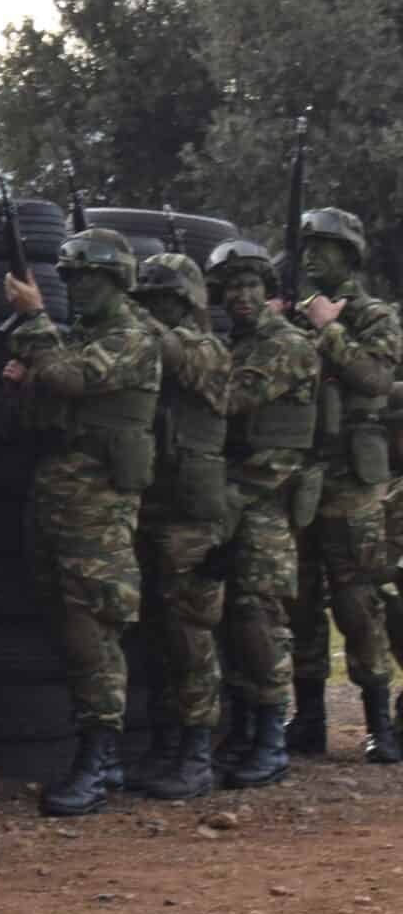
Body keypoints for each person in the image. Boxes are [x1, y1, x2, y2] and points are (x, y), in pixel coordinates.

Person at [3, 227, 160, 816]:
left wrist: (34, 318)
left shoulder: (133, 337)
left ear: (119, 280)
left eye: (90, 277)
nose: (79, 288)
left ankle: (100, 755)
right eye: (71, 279)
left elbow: (70, 378)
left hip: (99, 504)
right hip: (59, 499)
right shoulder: (76, 337)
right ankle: (101, 753)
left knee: (90, 627)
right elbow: (48, 398)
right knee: (67, 623)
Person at [283, 207, 402, 763]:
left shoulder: (374, 315)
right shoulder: (294, 313)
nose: (312, 255)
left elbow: (375, 378)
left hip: (353, 479)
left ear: (350, 254)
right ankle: (307, 720)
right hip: (301, 474)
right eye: (308, 245)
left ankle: (379, 723)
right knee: (301, 602)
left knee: (358, 603)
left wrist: (329, 328)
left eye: (325, 246)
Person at [204, 240, 321, 791]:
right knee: (230, 617)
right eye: (232, 288)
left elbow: (228, 400)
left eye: (251, 286)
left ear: (267, 291)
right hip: (231, 496)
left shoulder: (285, 344)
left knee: (258, 617)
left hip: (265, 497)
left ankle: (273, 739)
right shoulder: (238, 342)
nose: (242, 296)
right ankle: (248, 730)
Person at [130, 252, 236, 799]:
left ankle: (196, 753)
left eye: (164, 301)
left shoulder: (208, 351)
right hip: (151, 506)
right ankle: (166, 744)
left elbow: (172, 351)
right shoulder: (143, 348)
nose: (154, 311)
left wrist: (128, 314)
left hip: (193, 520)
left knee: (190, 637)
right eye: (147, 301)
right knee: (153, 635)